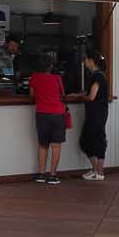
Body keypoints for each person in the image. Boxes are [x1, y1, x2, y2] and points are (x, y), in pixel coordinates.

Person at [28, 51, 68, 185]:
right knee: (56, 146)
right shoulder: (57, 78)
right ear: (50, 66)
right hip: (58, 114)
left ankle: (41, 174)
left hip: (42, 114)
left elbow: (32, 95)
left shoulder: (34, 77)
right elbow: (62, 95)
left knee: (43, 145)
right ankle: (53, 176)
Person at [78, 50, 113, 180]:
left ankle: (98, 171)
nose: (84, 62)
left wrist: (83, 96)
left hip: (96, 114)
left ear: (91, 61)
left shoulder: (97, 76)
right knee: (93, 139)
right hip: (99, 113)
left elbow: (92, 96)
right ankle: (96, 170)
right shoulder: (100, 75)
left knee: (91, 140)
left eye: (86, 59)